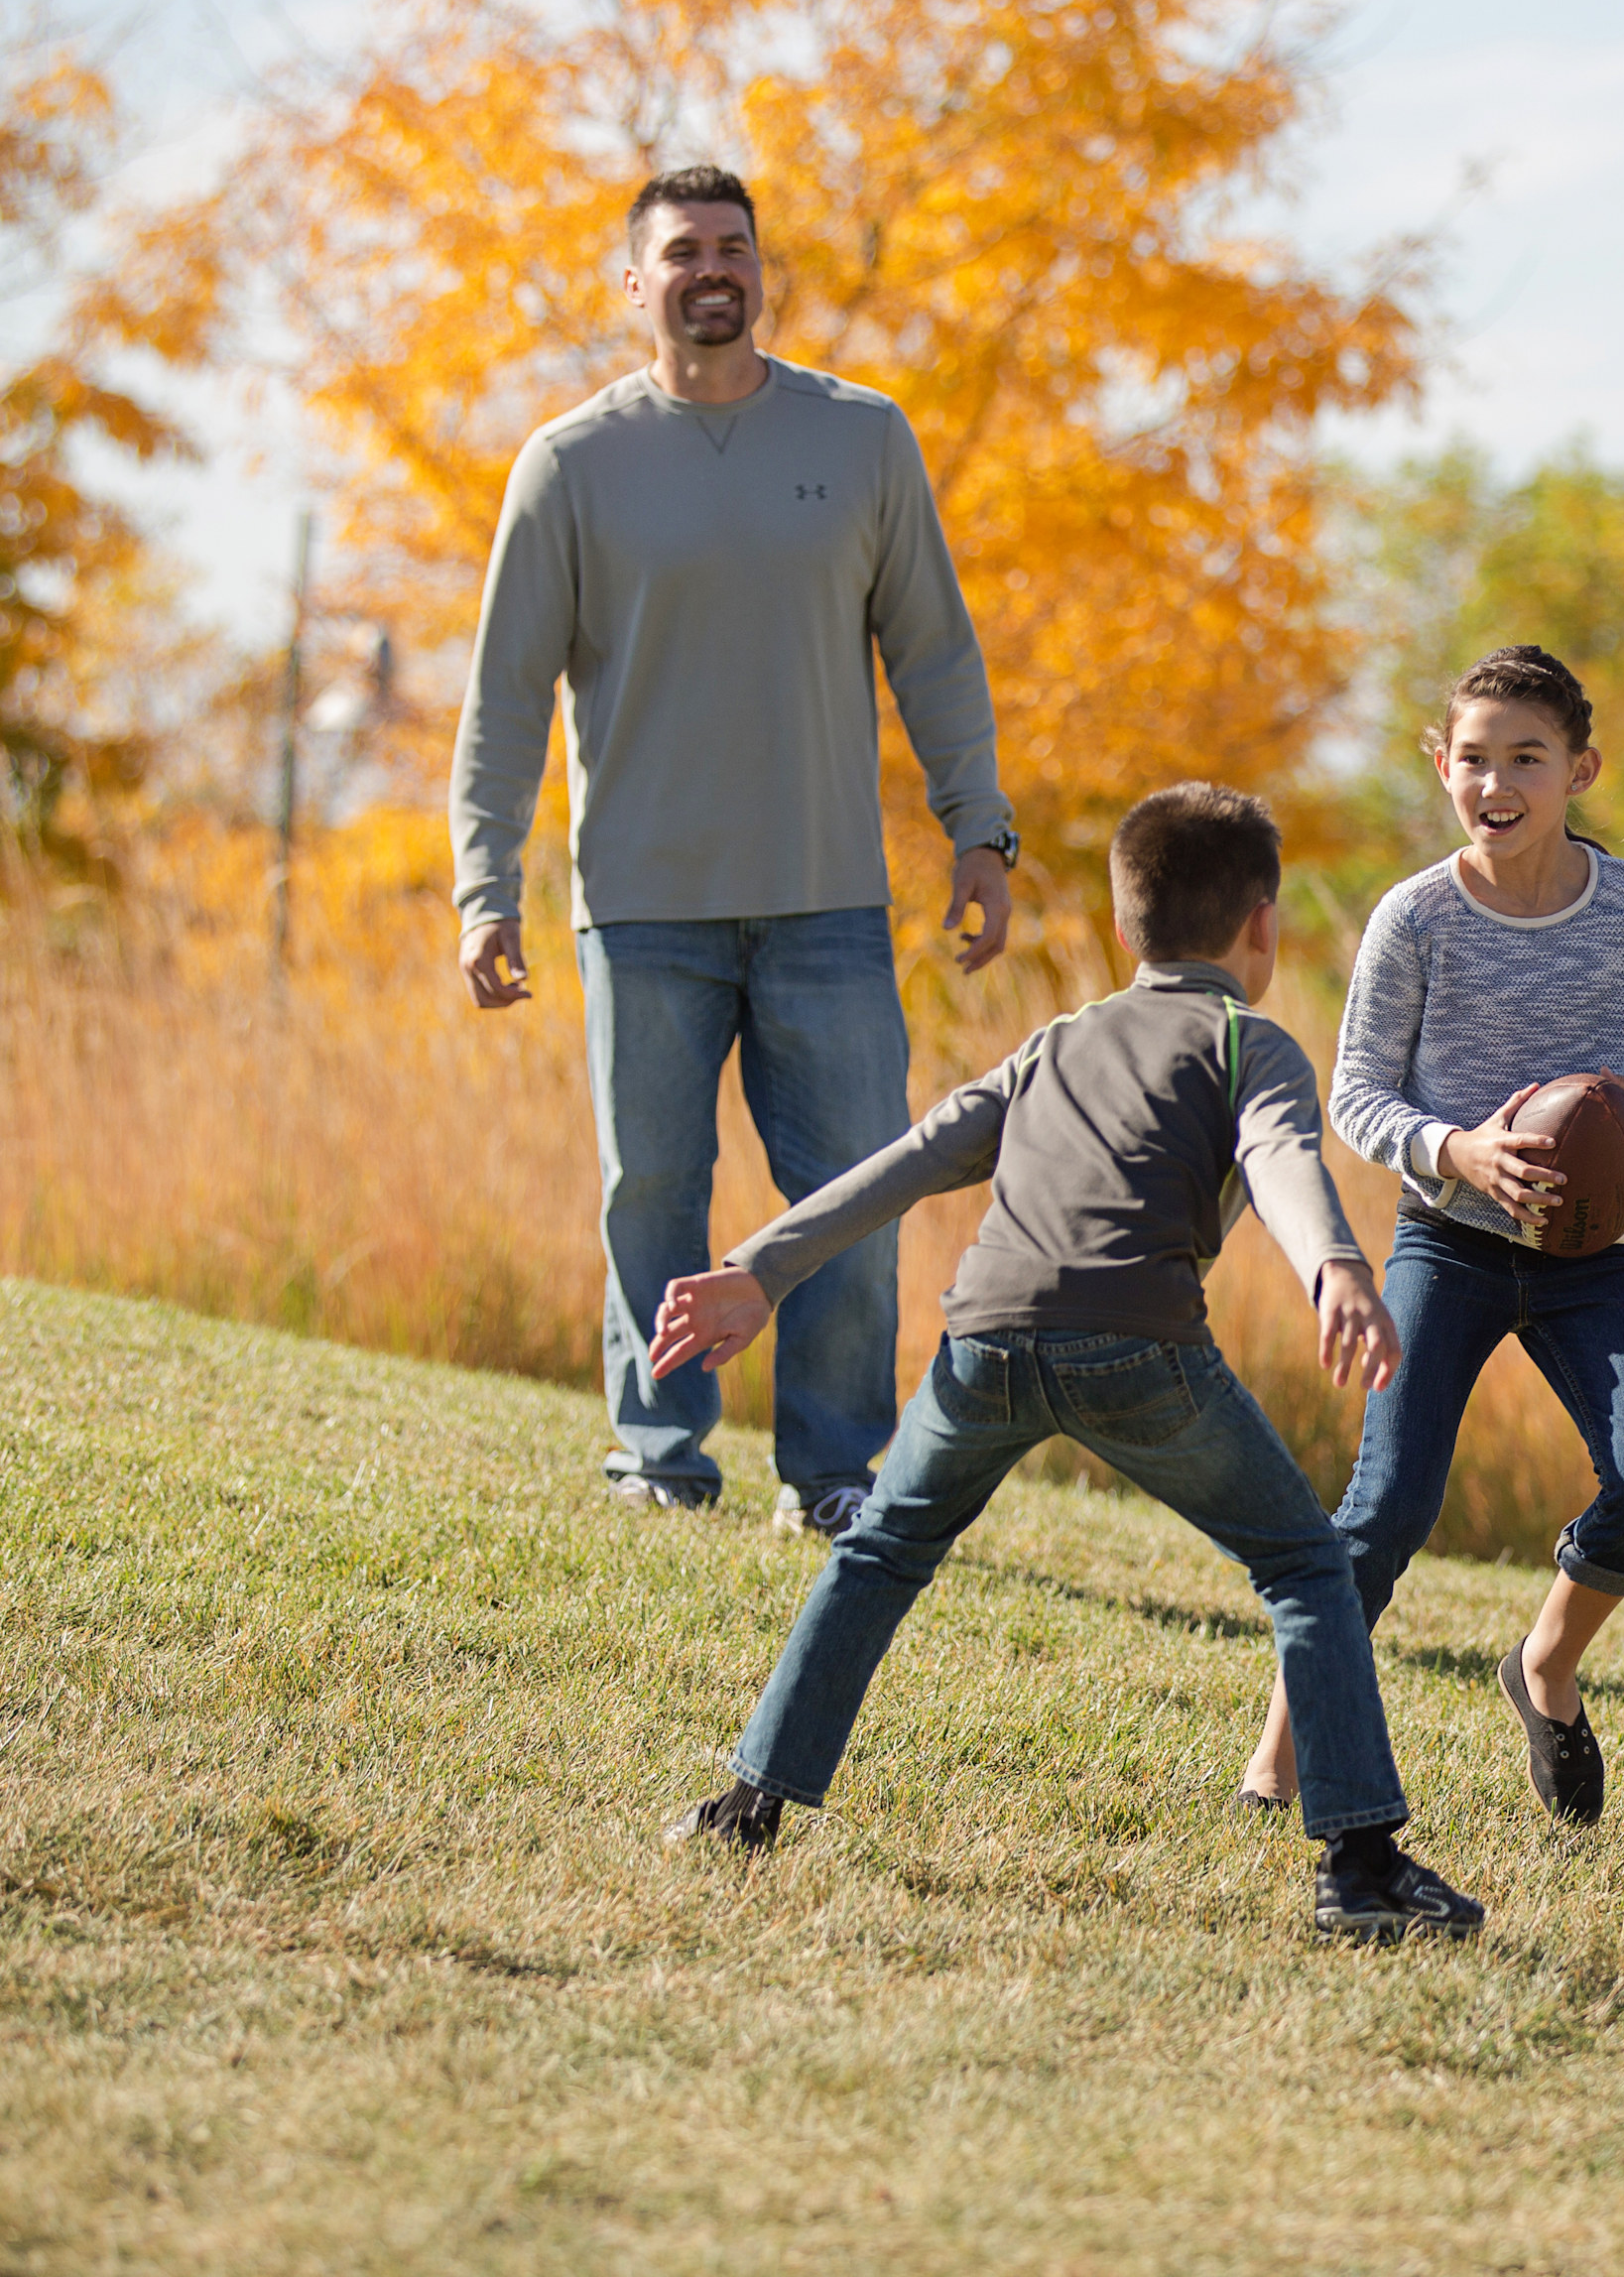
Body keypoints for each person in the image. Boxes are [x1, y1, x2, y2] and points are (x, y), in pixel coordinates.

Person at [645, 785, 1485, 1941]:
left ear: (1129, 922)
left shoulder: (1054, 1042)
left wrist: (760, 1266)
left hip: (982, 1341)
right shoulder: (1251, 1039)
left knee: (880, 1553)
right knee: (1305, 1566)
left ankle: (749, 1802)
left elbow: (909, 1158)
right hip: (1139, 1348)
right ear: (1264, 926)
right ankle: (1362, 1865)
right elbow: (1283, 1156)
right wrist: (1334, 1264)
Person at [447, 165, 1018, 1537]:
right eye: (684, 251)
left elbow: (935, 652)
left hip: (826, 898)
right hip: (641, 905)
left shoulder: (865, 438)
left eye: (736, 248)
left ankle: (831, 1469)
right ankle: (660, 1446)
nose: (715, 268)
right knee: (652, 1187)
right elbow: (506, 696)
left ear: (763, 274)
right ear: (632, 286)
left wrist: (978, 833)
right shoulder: (571, 463)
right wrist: (487, 891)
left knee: (852, 1193)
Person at [1233, 645, 1624, 1827]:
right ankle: (1276, 1764)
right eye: (1473, 758)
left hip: (1595, 1257)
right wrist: (1459, 1150)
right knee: (1389, 1503)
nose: (1495, 781)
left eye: (1526, 758)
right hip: (1447, 1243)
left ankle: (1544, 1668)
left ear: (1580, 769)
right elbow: (1357, 1096)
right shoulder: (1415, 918)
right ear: (1438, 764)